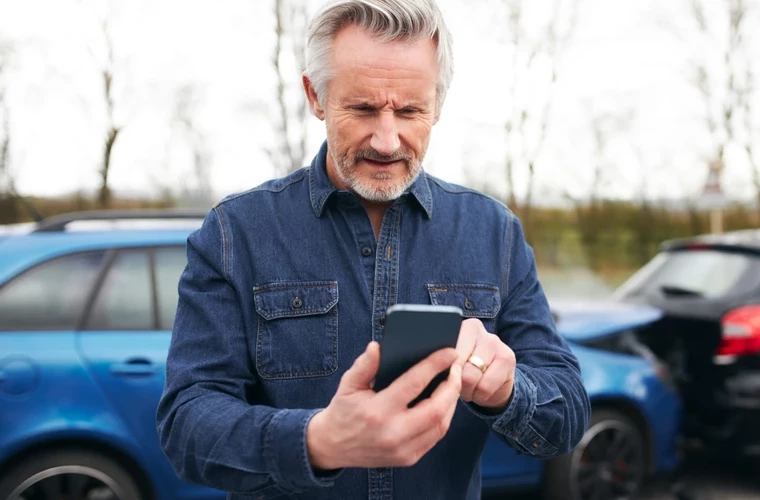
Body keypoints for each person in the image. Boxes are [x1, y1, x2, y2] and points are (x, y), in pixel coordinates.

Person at [155, 0, 591, 498]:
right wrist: (317, 441)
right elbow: (185, 426)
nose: (387, 141)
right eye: (362, 108)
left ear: (438, 105)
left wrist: (509, 392)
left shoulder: (495, 232)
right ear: (315, 95)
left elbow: (569, 414)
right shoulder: (235, 233)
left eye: (409, 111)